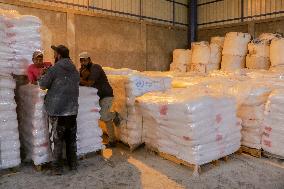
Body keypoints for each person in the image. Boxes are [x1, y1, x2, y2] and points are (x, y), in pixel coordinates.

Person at [39, 45, 80, 175]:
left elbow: (43, 85)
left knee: (57, 140)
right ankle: (73, 164)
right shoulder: (74, 69)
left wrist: (43, 75)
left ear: (59, 55)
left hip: (57, 110)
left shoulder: (54, 69)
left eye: (55, 53)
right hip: (72, 110)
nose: (54, 56)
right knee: (71, 140)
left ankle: (56, 168)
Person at [79, 52, 121, 148]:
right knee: (104, 117)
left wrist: (80, 79)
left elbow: (90, 83)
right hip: (97, 97)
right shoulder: (83, 69)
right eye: (81, 60)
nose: (83, 62)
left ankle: (114, 115)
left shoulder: (95, 68)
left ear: (89, 59)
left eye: (85, 60)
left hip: (106, 95)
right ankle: (112, 140)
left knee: (103, 115)